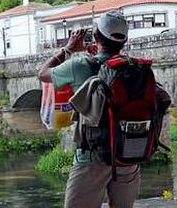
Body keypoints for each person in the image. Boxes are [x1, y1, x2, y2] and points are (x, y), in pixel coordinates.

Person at [38, 11, 170, 208]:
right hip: (128, 154)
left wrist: (68, 49)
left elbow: (43, 74)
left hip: (92, 158)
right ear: (124, 41)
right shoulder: (134, 68)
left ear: (96, 36)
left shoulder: (80, 65)